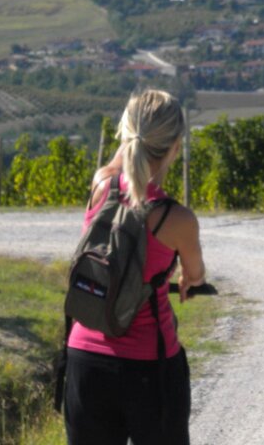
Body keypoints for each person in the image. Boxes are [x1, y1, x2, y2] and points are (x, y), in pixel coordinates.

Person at [65, 89, 206, 445]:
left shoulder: (101, 185)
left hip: (84, 359)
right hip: (149, 367)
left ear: (125, 136)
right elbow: (196, 275)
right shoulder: (177, 219)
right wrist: (188, 279)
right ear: (177, 146)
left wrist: (132, 133)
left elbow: (119, 163)